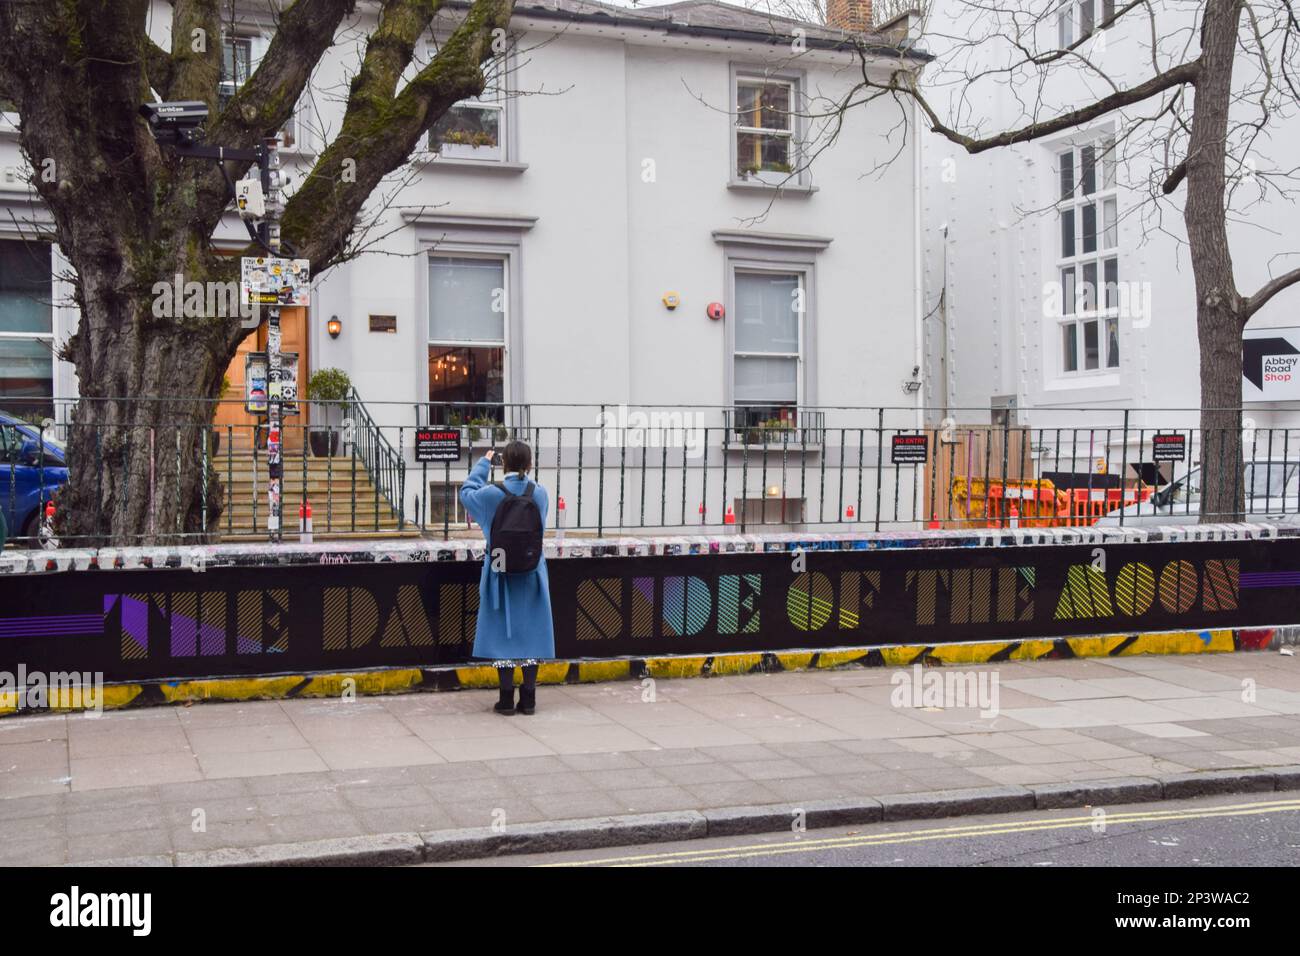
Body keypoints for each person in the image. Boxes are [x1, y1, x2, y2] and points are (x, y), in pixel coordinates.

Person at [459, 440, 555, 715]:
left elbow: (466, 492)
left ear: (503, 464)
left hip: (499, 567)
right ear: (530, 464)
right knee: (532, 635)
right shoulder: (540, 494)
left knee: (501, 634)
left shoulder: (490, 494)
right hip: (532, 569)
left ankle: (505, 698)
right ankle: (529, 698)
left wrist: (483, 462)